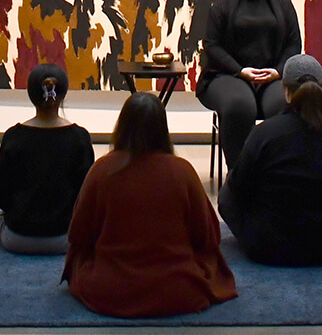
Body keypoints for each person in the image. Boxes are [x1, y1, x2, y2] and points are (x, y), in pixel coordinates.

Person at [63, 93, 237, 318]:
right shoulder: (182, 171)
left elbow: (78, 235)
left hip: (109, 289)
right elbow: (208, 236)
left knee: (78, 260)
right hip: (177, 288)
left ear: (122, 125)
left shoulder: (102, 170)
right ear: (162, 128)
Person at [218, 54, 322, 265]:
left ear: (286, 91)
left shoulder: (264, 134)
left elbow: (239, 188)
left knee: (226, 192)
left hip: (272, 248)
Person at [198, 0, 303, 172]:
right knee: (239, 105)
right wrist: (240, 70)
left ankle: (276, 171)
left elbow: (294, 44)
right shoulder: (223, 5)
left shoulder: (283, 4)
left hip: (272, 76)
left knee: (281, 105)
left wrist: (277, 71)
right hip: (228, 75)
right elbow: (212, 45)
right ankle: (240, 175)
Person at [0, 64, 94, 254]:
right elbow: (86, 196)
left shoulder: (13, 136)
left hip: (17, 238)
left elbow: (1, 198)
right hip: (66, 238)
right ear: (62, 95)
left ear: (30, 95)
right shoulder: (80, 137)